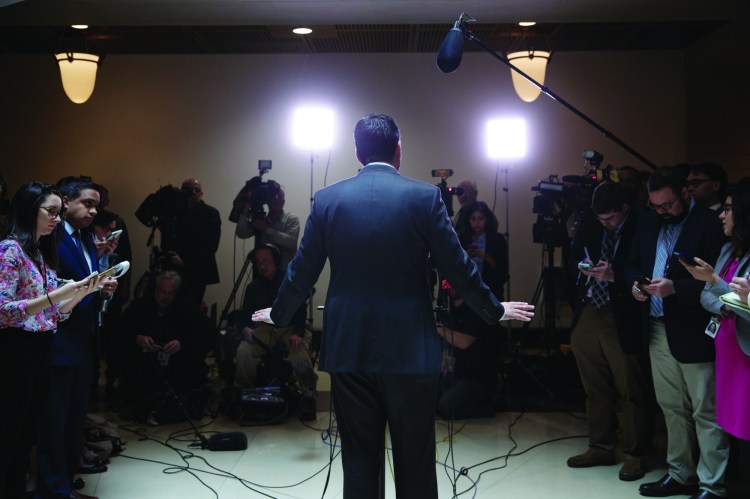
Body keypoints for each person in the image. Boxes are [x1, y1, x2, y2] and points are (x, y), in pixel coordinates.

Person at [252, 114, 534, 498]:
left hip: (349, 348)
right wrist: (494, 309)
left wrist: (279, 313)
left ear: (356, 152)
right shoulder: (424, 198)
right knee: (415, 462)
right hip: (410, 351)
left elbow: (303, 271)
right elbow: (459, 268)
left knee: (359, 463)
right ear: (399, 150)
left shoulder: (328, 199)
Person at [626, 166, 728, 499]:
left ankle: (712, 484)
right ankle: (680, 473)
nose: (662, 211)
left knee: (705, 409)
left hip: (695, 327)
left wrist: (677, 289)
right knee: (671, 406)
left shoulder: (709, 225)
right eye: (656, 205)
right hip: (657, 326)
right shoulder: (649, 220)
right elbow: (631, 263)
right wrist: (636, 285)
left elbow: (716, 279)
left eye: (668, 204)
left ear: (685, 192)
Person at [0, 182, 106, 499]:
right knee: (9, 441)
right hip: (15, 355)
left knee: (24, 441)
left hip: (40, 354)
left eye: (59, 213)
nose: (57, 220)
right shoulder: (10, 250)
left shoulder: (38, 254)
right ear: (29, 209)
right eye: (51, 212)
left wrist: (86, 289)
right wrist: (53, 296)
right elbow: (3, 311)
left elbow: (54, 313)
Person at [35, 176, 117, 499]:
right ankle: (52, 490)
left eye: (96, 204)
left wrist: (103, 285)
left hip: (84, 341)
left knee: (74, 421)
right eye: (88, 203)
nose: (94, 210)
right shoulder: (49, 239)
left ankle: (66, 485)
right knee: (53, 423)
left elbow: (87, 282)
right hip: (58, 342)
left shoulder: (85, 238)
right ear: (65, 202)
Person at [565, 182, 653, 481]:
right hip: (591, 303)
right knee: (594, 384)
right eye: (601, 219)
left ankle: (635, 453)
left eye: (611, 218)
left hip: (624, 309)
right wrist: (583, 268)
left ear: (625, 208)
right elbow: (574, 255)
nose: (605, 223)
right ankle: (600, 446)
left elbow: (646, 267)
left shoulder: (642, 224)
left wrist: (614, 275)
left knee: (630, 385)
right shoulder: (592, 221)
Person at [684, 182, 750, 483]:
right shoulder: (728, 249)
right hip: (726, 349)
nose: (721, 216)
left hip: (745, 353)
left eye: (727, 209)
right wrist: (726, 302)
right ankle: (730, 483)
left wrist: (717, 286)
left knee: (745, 426)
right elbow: (707, 296)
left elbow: (740, 301)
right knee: (730, 425)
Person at [234, 244, 316, 420]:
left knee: (299, 354)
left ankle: (308, 394)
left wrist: (298, 333)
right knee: (244, 352)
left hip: (290, 328)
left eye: (266, 261)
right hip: (265, 329)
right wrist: (245, 328)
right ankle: (244, 394)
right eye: (259, 262)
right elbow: (244, 316)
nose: (262, 266)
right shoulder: (253, 287)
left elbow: (300, 310)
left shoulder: (290, 282)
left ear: (276, 261)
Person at [118, 270, 211, 420]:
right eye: (162, 292)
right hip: (143, 366)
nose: (165, 297)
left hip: (178, 368)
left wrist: (182, 343)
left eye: (170, 293)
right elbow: (120, 333)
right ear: (155, 289)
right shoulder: (139, 307)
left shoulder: (187, 309)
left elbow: (205, 334)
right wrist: (138, 339)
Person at [436, 286, 500, 420]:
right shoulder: (450, 311)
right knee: (430, 399)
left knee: (446, 407)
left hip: (477, 378)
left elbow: (464, 342)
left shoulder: (475, 310)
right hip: (458, 374)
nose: (451, 287)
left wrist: (440, 329)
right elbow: (449, 346)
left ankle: (484, 407)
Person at [167, 178, 221, 306]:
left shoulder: (210, 213)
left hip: (197, 270)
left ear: (201, 193)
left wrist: (185, 261)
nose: (193, 192)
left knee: (191, 307)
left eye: (197, 190)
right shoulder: (175, 212)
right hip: (173, 268)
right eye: (189, 189)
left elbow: (211, 245)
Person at [235, 184, 300, 270]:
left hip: (285, 275)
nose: (275, 199)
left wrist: (266, 229)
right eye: (273, 197)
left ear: (283, 202)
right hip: (262, 274)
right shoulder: (261, 220)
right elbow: (241, 233)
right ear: (268, 201)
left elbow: (291, 243)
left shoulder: (291, 219)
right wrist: (245, 211)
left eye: (278, 197)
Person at [459, 200, 508, 301]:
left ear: (487, 219)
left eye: (481, 218)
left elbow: (502, 271)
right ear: (468, 220)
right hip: (468, 294)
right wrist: (466, 257)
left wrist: (484, 256)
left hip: (491, 292)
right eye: (473, 219)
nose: (477, 223)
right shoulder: (462, 239)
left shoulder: (498, 240)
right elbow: (456, 269)